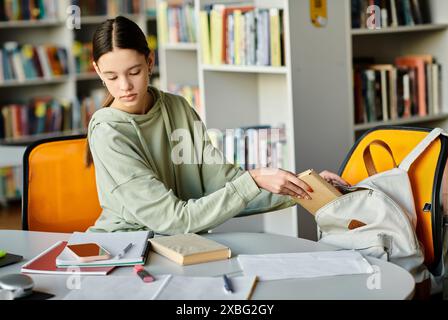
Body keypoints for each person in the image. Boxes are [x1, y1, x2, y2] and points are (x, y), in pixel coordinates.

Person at [86, 16, 349, 234]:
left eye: (134, 72)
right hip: (129, 250)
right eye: (111, 76)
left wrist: (306, 186)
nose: (125, 86)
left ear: (150, 62)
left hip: (183, 245)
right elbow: (173, 220)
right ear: (98, 71)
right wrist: (253, 179)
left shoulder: (176, 107)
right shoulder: (108, 133)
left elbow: (224, 186)